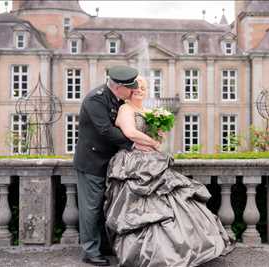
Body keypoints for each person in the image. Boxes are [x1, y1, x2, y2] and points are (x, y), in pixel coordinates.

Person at [104, 77, 235, 267]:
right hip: (133, 163)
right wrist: (153, 142)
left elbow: (155, 138)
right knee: (143, 210)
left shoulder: (147, 111)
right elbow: (130, 133)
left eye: (144, 88)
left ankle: (182, 249)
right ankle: (149, 254)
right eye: (137, 87)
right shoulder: (126, 109)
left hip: (152, 161)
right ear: (129, 90)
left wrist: (159, 133)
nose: (140, 90)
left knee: (174, 202)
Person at [73, 66, 154, 266]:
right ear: (118, 87)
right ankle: (90, 251)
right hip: (92, 163)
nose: (133, 91)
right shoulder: (95, 100)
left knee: (106, 207)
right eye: (130, 88)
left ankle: (103, 246)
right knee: (91, 209)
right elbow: (105, 130)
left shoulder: (118, 99)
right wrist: (135, 144)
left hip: (110, 162)